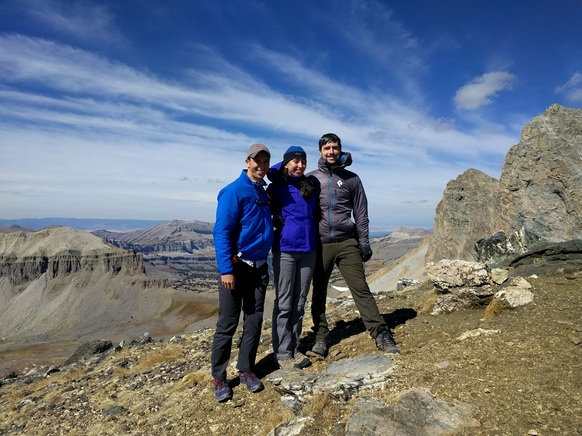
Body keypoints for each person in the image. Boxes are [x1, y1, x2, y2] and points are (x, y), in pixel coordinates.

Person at [306, 133, 399, 358]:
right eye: (326, 148)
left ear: (340, 150)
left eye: (334, 147)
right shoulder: (310, 179)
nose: (331, 151)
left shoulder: (352, 179)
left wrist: (364, 242)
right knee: (319, 292)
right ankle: (320, 337)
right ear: (320, 151)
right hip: (321, 244)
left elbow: (361, 213)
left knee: (361, 289)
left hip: (348, 242)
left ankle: (380, 333)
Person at [210, 143, 274, 402]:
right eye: (257, 160)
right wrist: (226, 270)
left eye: (266, 161)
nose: (261, 165)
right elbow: (221, 232)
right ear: (247, 161)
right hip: (237, 267)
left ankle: (246, 369)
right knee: (227, 324)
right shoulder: (234, 191)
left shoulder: (263, 190)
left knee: (254, 320)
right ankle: (219, 377)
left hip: (259, 266)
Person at [267, 146, 318, 370]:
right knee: (285, 303)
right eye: (295, 161)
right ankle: (283, 353)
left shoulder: (309, 186)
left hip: (309, 250)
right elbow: (271, 172)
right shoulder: (276, 187)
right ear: (286, 163)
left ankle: (295, 347)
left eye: (303, 162)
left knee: (299, 303)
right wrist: (283, 166)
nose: (300, 165)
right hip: (286, 249)